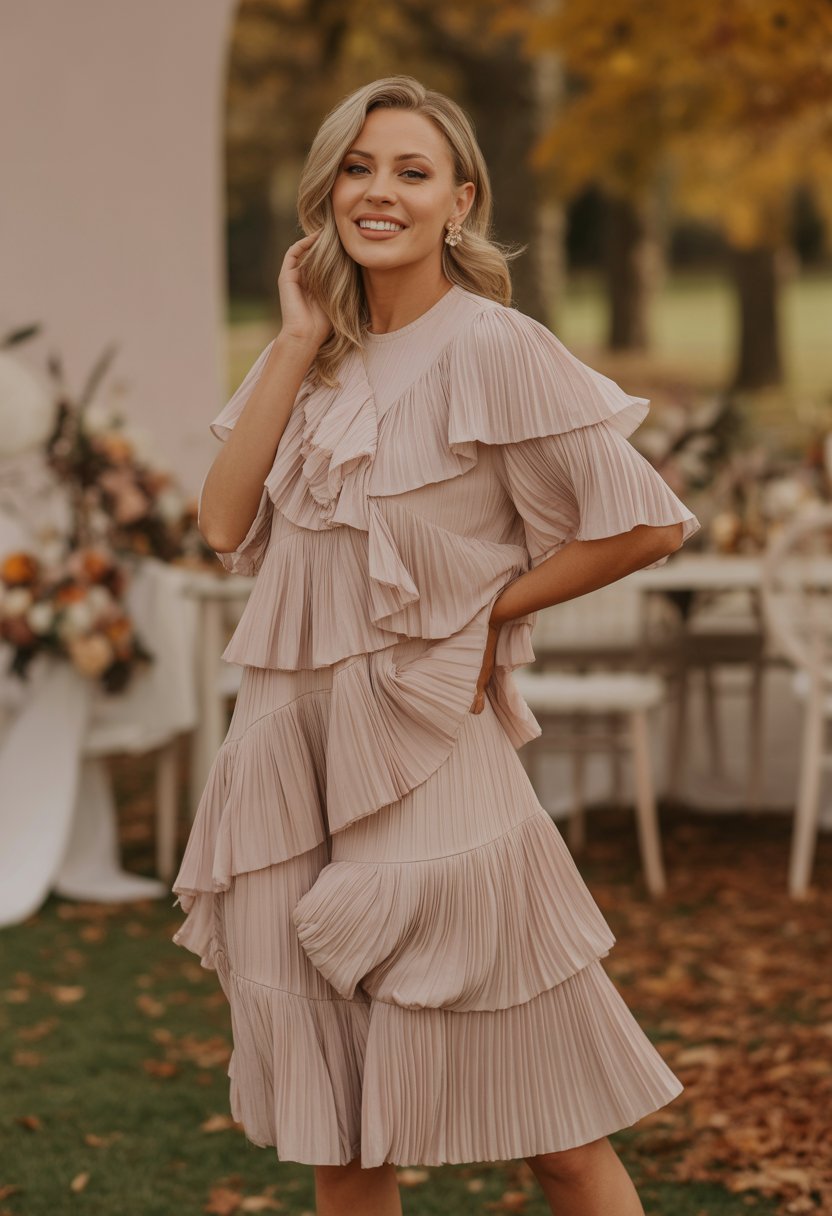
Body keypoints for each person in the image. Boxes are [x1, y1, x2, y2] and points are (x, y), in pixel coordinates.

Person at [172, 74, 701, 1216]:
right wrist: (296, 336)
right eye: (357, 168)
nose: (379, 191)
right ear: (326, 192)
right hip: (287, 746)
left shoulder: (496, 345)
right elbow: (222, 524)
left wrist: (481, 615)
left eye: (411, 172)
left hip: (426, 752)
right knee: (345, 1132)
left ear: (461, 200)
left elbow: (646, 522)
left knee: (556, 1125)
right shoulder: (311, 360)